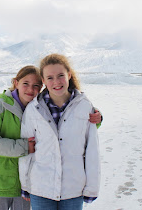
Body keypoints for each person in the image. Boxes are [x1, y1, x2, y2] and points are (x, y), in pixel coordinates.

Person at [0, 65, 102, 210]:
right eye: (26, 84)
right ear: (16, 82)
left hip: (28, 183)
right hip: (1, 179)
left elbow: (71, 126)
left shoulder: (39, 107)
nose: (30, 89)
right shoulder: (1, 106)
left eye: (36, 85)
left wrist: (97, 118)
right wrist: (23, 147)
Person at [19, 54, 101, 210]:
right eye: (49, 78)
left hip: (73, 190)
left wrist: (92, 187)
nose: (56, 82)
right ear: (43, 81)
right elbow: (27, 151)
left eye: (60, 76)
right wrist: (26, 184)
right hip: (41, 189)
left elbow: (92, 150)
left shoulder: (84, 107)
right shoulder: (32, 110)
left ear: (69, 75)